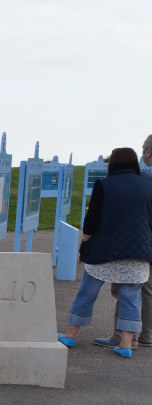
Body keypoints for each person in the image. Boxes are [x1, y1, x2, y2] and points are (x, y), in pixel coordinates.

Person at [58, 147, 152, 357]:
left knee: (87, 293)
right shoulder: (149, 185)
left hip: (105, 250)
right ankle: (126, 344)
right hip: (138, 252)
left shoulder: (104, 184)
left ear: (113, 163)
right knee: (131, 297)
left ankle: (71, 334)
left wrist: (86, 237)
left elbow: (92, 218)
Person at [92, 134, 152, 348]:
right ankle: (146, 335)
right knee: (147, 289)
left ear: (148, 150)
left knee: (128, 287)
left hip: (140, 241)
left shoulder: (144, 177)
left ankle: (124, 337)